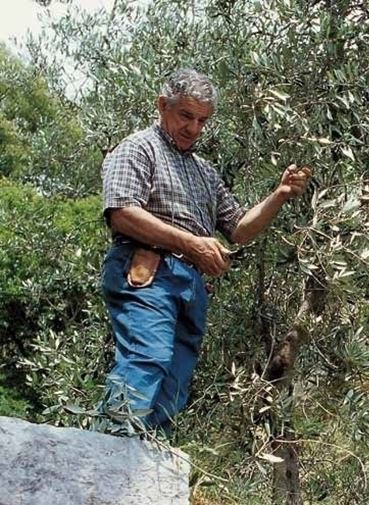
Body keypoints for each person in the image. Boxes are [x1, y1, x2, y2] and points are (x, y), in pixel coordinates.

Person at [99, 68, 312, 434]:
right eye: (186, 116)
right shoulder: (137, 149)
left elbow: (239, 229)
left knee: (174, 381)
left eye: (202, 120)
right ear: (162, 105)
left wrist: (279, 195)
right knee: (147, 361)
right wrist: (191, 243)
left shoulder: (204, 172)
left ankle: (147, 465)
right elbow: (121, 213)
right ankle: (107, 452)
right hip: (147, 273)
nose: (194, 128)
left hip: (190, 287)